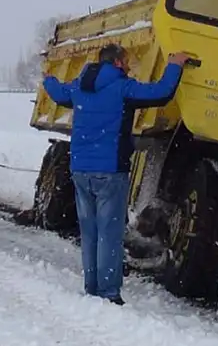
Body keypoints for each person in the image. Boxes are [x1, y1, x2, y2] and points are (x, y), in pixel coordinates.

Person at [43, 45, 189, 305]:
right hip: (110, 171)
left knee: (89, 231)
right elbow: (161, 93)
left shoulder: (79, 86)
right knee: (109, 233)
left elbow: (56, 92)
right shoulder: (123, 88)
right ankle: (109, 293)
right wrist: (175, 64)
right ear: (119, 63)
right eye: (128, 62)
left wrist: (48, 76)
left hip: (80, 170)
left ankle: (91, 287)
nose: (130, 66)